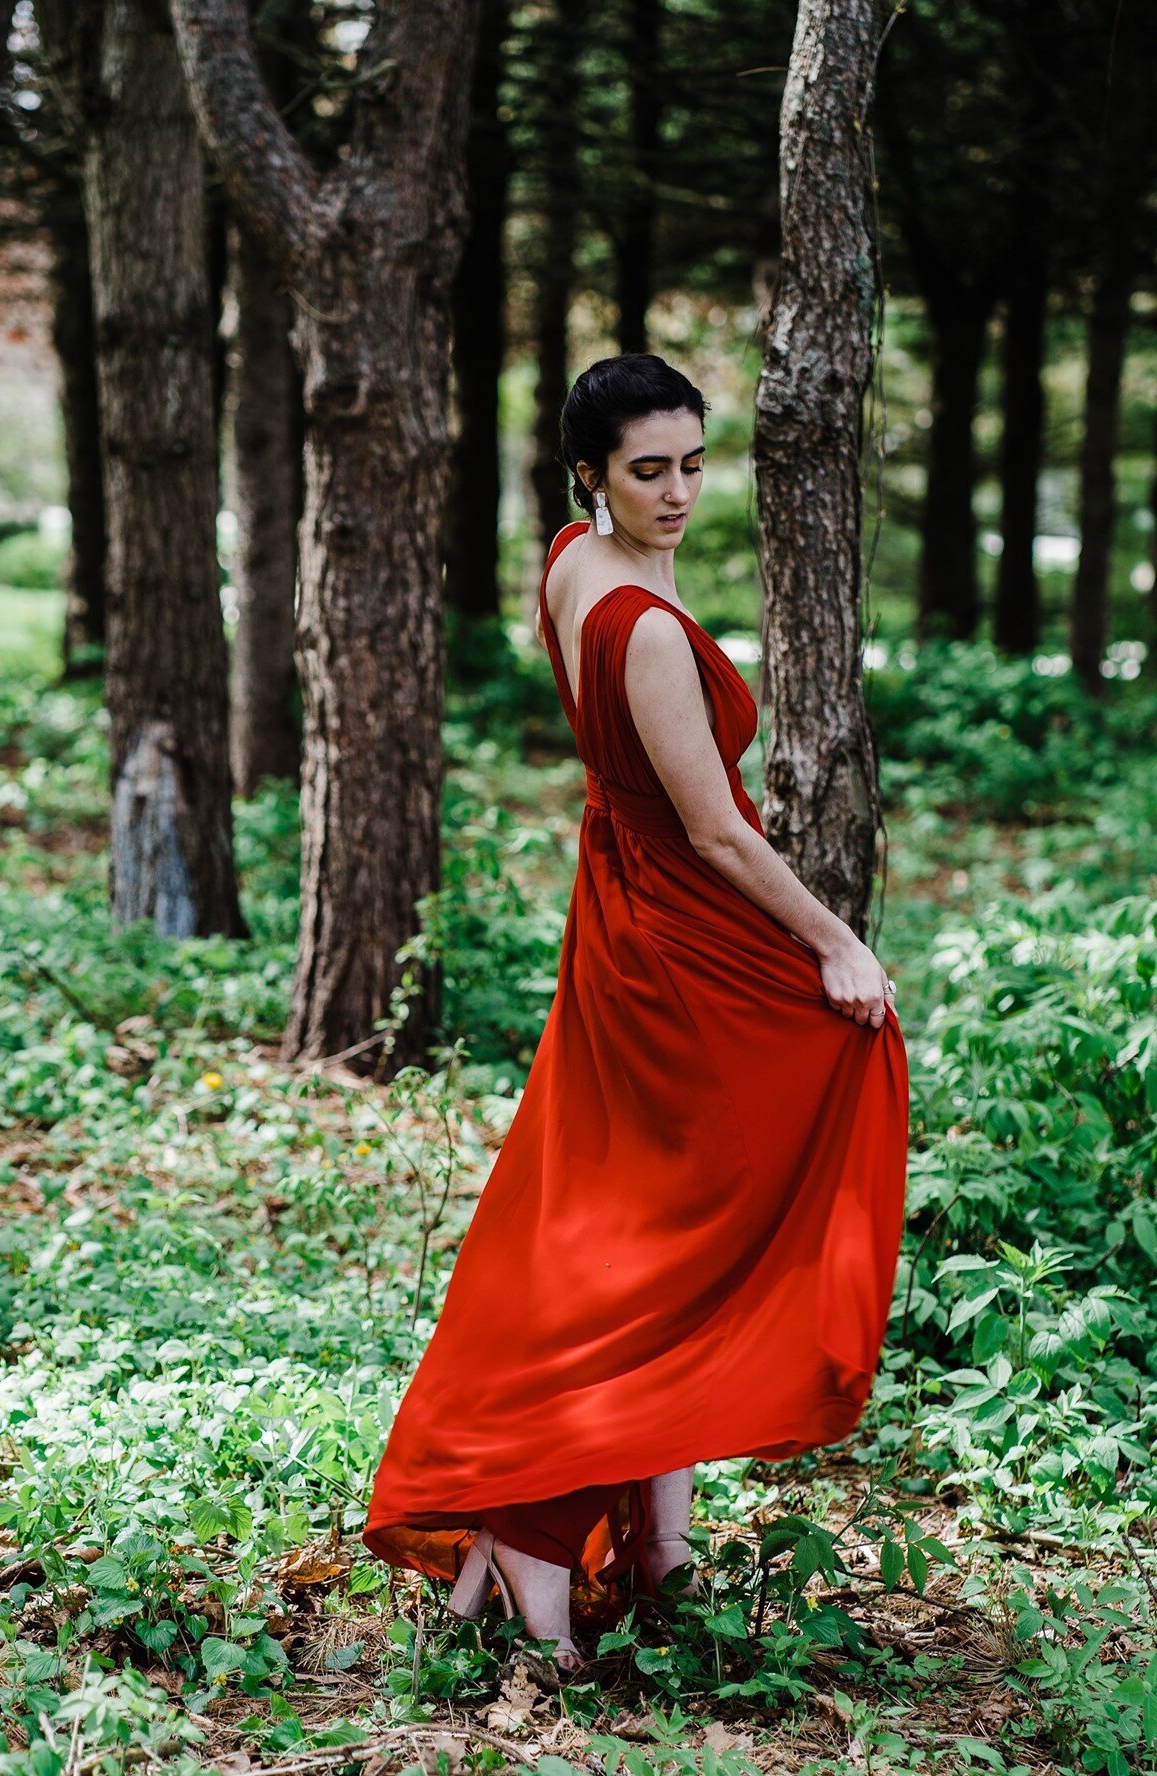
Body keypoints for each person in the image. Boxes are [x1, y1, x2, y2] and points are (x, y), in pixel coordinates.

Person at [360, 353, 909, 1686]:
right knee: (665, 1237)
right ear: (589, 475)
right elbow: (716, 832)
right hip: (675, 939)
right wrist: (836, 939)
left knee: (632, 1221)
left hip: (619, 913)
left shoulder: (571, 564)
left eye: (691, 464)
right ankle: (538, 1531)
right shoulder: (644, 627)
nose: (676, 493)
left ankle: (653, 1543)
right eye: (646, 470)